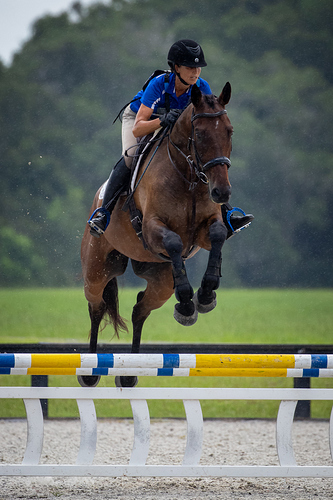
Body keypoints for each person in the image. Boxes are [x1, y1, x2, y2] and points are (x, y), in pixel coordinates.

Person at [88, 39, 253, 237]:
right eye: (190, 67)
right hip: (141, 119)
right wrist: (162, 121)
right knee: (131, 157)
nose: (196, 72)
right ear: (176, 67)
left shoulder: (202, 87)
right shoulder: (158, 85)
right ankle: (103, 213)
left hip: (175, 127)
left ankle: (226, 214)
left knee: (201, 159)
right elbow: (139, 128)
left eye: (198, 67)